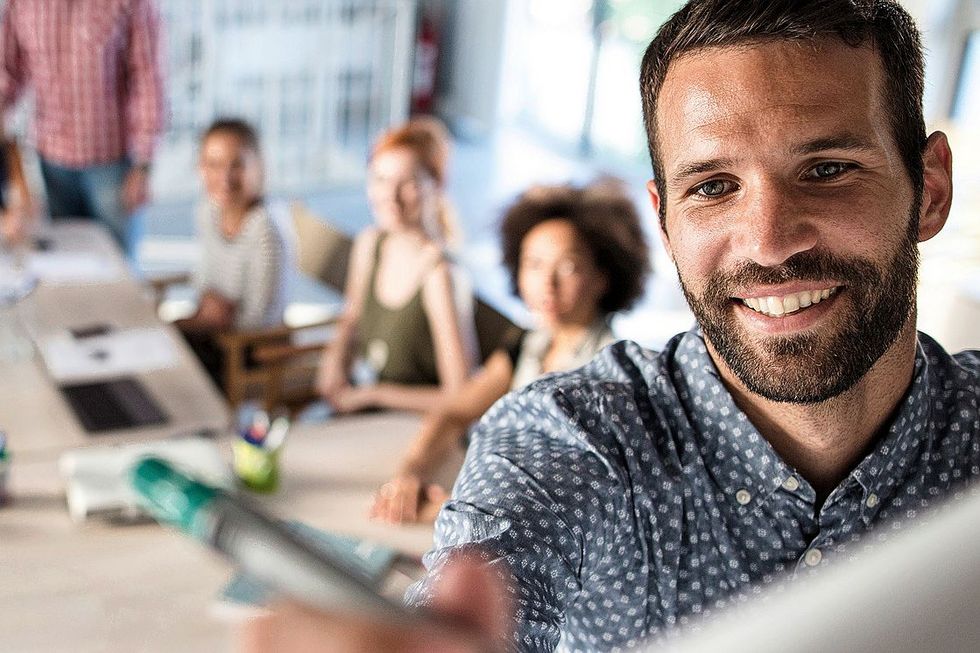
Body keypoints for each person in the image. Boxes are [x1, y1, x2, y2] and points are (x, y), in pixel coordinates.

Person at [244, 0, 979, 651]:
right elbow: (492, 570)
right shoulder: (572, 436)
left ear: (930, 189)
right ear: (666, 224)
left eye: (827, 170)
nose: (767, 241)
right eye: (713, 186)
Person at [370, 180, 650, 524]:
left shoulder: (612, 371)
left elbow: (575, 496)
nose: (547, 283)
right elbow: (454, 412)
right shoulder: (525, 342)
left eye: (568, 267)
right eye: (534, 264)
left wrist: (450, 511)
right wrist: (410, 473)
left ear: (603, 278)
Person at [314, 117, 477, 415]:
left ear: (437, 185)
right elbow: (351, 318)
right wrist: (334, 361)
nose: (391, 195)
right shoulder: (370, 243)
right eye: (380, 180)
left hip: (418, 424)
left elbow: (460, 396)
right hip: (367, 410)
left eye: (409, 183)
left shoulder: (441, 274)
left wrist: (374, 396)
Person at [0, 0, 166, 253]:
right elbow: (6, 73)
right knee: (64, 260)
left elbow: (148, 79)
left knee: (116, 260)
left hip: (112, 163)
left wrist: (144, 164)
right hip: (52, 162)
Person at [176, 118, 286, 390]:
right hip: (213, 331)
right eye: (213, 164)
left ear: (258, 167)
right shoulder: (208, 210)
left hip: (251, 347)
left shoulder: (265, 228)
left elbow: (259, 317)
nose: (225, 178)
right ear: (201, 167)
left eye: (237, 165)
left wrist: (214, 317)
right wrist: (208, 307)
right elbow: (203, 280)